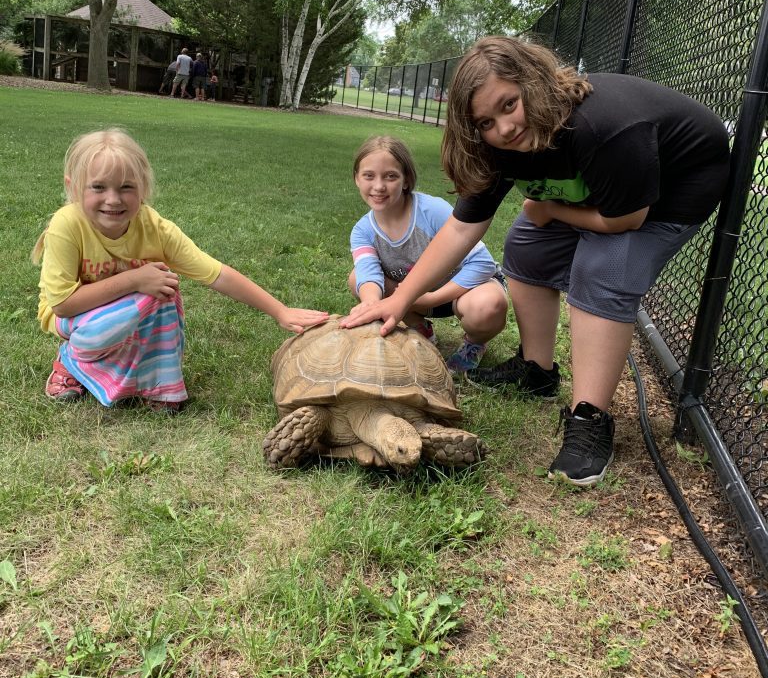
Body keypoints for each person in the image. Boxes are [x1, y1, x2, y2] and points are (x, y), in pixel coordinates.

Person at [341, 37, 730, 486]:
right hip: (599, 190)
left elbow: (626, 217)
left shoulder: (602, 127)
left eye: (510, 104)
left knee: (599, 268)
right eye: (486, 121)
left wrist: (551, 209)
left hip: (669, 192)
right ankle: (537, 370)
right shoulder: (500, 145)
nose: (504, 128)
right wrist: (401, 299)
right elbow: (463, 229)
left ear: (535, 82)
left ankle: (589, 419)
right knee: (527, 241)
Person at [34, 129, 328, 414]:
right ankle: (71, 362)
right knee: (146, 289)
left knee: (163, 290)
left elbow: (217, 273)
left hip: (122, 313)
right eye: (98, 187)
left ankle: (158, 384)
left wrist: (280, 311)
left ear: (143, 188)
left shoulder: (155, 228)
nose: (113, 199)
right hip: (71, 319)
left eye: (126, 187)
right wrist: (134, 279)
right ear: (73, 187)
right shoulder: (67, 225)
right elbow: (61, 305)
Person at [349, 135, 508, 373]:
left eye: (390, 176)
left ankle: (474, 344)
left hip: (462, 291)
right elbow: (368, 273)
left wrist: (430, 299)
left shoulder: (431, 210)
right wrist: (371, 305)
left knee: (487, 306)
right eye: (368, 176)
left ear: (406, 180)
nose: (379, 186)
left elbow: (482, 264)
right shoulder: (362, 230)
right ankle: (419, 329)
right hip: (414, 298)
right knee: (357, 280)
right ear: (357, 180)